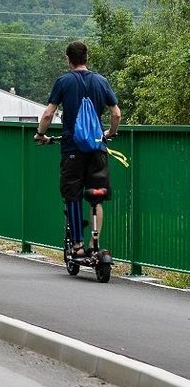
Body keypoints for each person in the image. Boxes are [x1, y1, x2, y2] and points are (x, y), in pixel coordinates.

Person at [34, 40, 121, 257]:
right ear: (87, 57)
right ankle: (95, 243)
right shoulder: (101, 81)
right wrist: (109, 133)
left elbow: (47, 114)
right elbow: (116, 113)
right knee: (96, 196)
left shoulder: (63, 82)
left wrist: (40, 134)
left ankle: (77, 246)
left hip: (72, 148)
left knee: (72, 195)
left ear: (68, 59)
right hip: (97, 148)